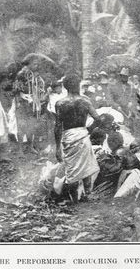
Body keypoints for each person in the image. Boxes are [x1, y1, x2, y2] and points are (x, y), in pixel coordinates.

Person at [54, 74, 101, 203]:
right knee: (86, 167)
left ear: (65, 87)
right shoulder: (85, 101)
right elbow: (98, 119)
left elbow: (58, 127)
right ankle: (87, 194)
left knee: (72, 169)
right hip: (82, 135)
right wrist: (89, 131)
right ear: (78, 85)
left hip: (68, 136)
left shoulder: (60, 103)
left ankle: (74, 198)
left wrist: (57, 148)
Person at [15, 53, 47, 154]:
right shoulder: (21, 74)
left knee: (31, 125)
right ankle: (20, 149)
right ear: (28, 63)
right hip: (23, 102)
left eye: (37, 64)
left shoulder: (34, 75)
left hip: (32, 103)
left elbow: (38, 87)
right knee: (21, 126)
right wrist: (18, 102)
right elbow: (16, 89)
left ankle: (30, 146)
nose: (37, 66)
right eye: (35, 64)